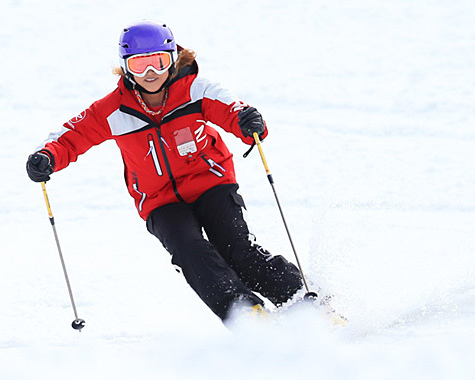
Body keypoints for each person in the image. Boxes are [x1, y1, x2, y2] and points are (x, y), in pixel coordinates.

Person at [26, 20, 304, 322]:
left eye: (158, 63)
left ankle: (303, 300)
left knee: (236, 249)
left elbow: (232, 109)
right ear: (126, 68)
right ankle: (245, 314)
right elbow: (72, 135)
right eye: (139, 65)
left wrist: (248, 123)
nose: (150, 74)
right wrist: (48, 156)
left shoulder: (196, 90)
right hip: (160, 201)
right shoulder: (113, 109)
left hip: (210, 183)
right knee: (189, 251)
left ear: (173, 59)